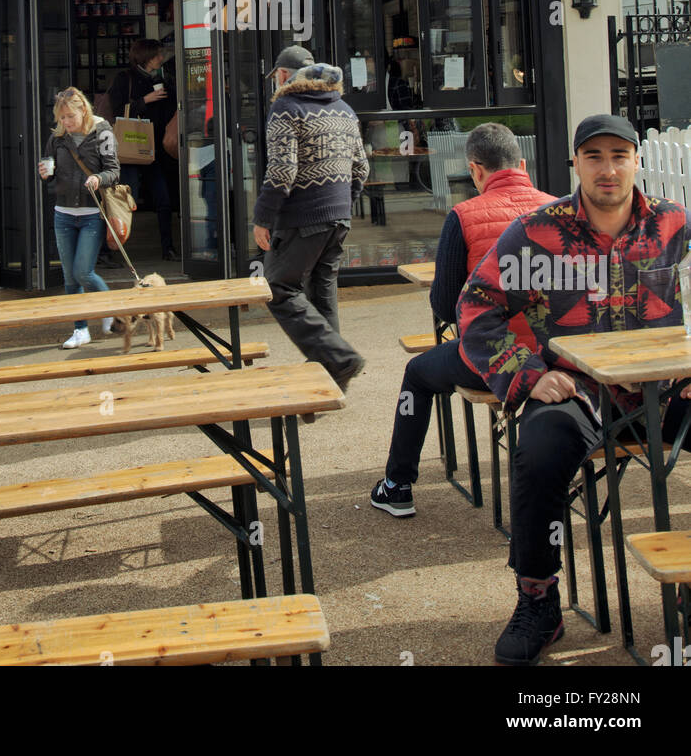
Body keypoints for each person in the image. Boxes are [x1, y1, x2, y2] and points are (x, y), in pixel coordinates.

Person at [457, 113, 691, 666]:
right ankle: (538, 599)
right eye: (594, 157)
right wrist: (528, 374)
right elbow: (476, 306)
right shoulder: (536, 231)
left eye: (619, 155)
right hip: (582, 393)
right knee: (538, 455)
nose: (608, 169)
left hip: (666, 389)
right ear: (575, 164)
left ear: (637, 160)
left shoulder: (673, 223)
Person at [370, 123, 555, 518]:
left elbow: (445, 304)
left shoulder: (464, 215)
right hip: (557, 358)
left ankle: (397, 485)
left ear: (475, 170)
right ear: (522, 163)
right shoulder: (559, 209)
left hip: (494, 360)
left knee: (417, 373)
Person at [252, 45, 370, 393]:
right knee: (321, 292)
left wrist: (262, 218)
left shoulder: (285, 108)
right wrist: (342, 205)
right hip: (338, 217)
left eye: (277, 77)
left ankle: (341, 359)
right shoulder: (344, 110)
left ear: (284, 76)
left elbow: (282, 171)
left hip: (302, 218)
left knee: (278, 289)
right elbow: (361, 167)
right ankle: (332, 380)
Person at [39, 86, 119, 349]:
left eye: (70, 117)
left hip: (91, 214)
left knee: (82, 272)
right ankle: (80, 329)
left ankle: (109, 309)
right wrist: (45, 172)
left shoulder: (102, 132)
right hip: (63, 213)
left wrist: (98, 178)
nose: (66, 123)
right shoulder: (57, 138)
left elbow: (113, 171)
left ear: (83, 110)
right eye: (61, 118)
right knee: (70, 278)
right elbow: (50, 165)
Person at [106, 40, 177, 261]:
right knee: (127, 200)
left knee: (164, 200)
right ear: (146, 57)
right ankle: (111, 250)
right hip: (130, 149)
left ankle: (168, 249)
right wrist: (145, 100)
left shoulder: (162, 80)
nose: (161, 57)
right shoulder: (124, 79)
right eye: (157, 54)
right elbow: (116, 110)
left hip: (154, 150)